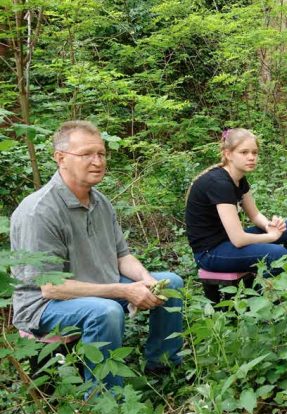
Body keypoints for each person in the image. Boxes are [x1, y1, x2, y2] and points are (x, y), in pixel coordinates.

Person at [10, 120, 183, 390]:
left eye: (101, 153)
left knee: (170, 283)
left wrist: (147, 280)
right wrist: (124, 291)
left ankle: (163, 367)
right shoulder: (40, 211)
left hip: (97, 285)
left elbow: (122, 257)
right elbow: (51, 287)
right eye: (87, 154)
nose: (97, 161)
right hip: (44, 306)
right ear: (61, 158)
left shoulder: (100, 202)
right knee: (106, 311)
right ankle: (104, 396)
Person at [185, 128, 287, 277]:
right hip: (210, 252)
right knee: (277, 254)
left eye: (254, 152)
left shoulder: (239, 178)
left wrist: (269, 226)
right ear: (228, 154)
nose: (251, 157)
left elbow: (255, 215)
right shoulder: (219, 183)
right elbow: (239, 239)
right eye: (244, 152)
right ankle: (262, 289)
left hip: (228, 240)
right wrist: (271, 236)